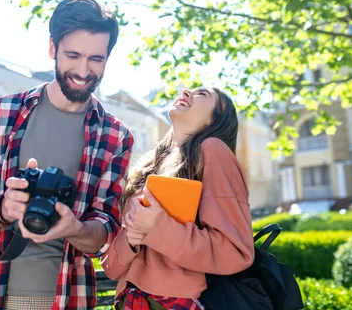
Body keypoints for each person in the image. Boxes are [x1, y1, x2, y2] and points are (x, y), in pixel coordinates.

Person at [0, 0, 134, 310]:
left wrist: (75, 228)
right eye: (73, 55)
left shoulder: (116, 137)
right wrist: (4, 208)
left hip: (65, 297)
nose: (84, 71)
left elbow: (104, 231)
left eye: (96, 59)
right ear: (52, 49)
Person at [101, 87, 254, 310]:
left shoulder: (213, 150)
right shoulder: (150, 166)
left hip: (177, 302)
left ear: (215, 120)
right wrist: (132, 237)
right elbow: (111, 268)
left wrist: (155, 226)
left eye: (203, 94)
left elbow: (234, 251)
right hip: (131, 301)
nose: (186, 91)